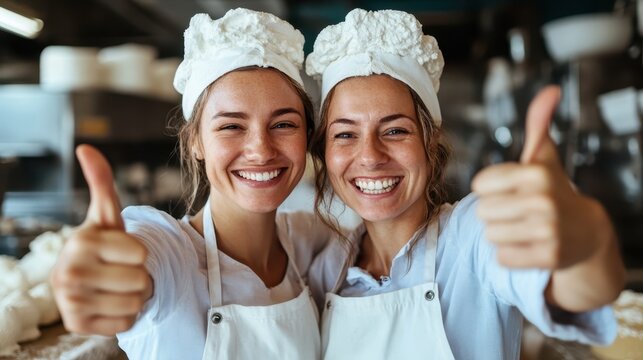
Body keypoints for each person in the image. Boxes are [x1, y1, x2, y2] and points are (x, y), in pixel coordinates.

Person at [305, 9, 626, 359]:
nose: (369, 156)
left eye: (395, 130)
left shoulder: (473, 234)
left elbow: (580, 289)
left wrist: (589, 244)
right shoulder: (328, 270)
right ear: (324, 151)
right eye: (346, 134)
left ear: (430, 143)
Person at [51, 8, 330, 360]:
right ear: (195, 141)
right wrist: (96, 274)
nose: (260, 150)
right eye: (231, 126)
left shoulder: (307, 242)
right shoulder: (172, 256)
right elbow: (138, 254)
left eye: (284, 124)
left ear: (307, 135)